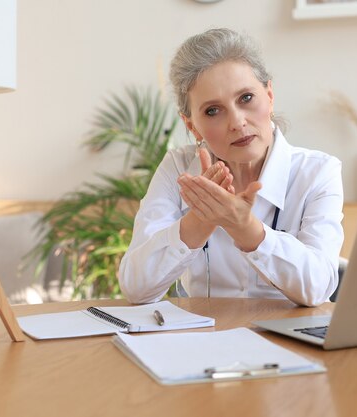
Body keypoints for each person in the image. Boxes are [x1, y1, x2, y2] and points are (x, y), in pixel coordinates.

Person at [118, 28, 344, 306]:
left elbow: (318, 288)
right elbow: (136, 288)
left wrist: (246, 228)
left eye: (246, 98)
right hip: (202, 338)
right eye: (213, 111)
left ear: (269, 95)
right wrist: (200, 220)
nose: (237, 122)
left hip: (286, 341)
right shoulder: (177, 169)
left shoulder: (318, 172)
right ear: (191, 126)